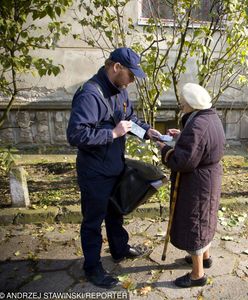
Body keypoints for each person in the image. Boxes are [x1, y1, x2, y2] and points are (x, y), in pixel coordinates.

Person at [66, 47, 160, 289]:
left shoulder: (119, 90)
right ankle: (93, 267)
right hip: (95, 172)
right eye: (131, 75)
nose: (131, 82)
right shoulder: (90, 94)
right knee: (93, 221)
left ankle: (119, 250)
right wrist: (112, 133)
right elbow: (76, 134)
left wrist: (146, 132)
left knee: (115, 213)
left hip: (114, 166)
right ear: (116, 67)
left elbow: (129, 119)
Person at [157, 83, 225, 288]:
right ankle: (205, 257)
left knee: (195, 222)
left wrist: (165, 150)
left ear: (192, 104)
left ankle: (197, 275)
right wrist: (181, 136)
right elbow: (202, 142)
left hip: (197, 182)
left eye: (183, 103)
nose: (181, 105)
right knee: (206, 217)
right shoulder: (210, 117)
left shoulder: (197, 125)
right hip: (209, 177)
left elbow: (182, 161)